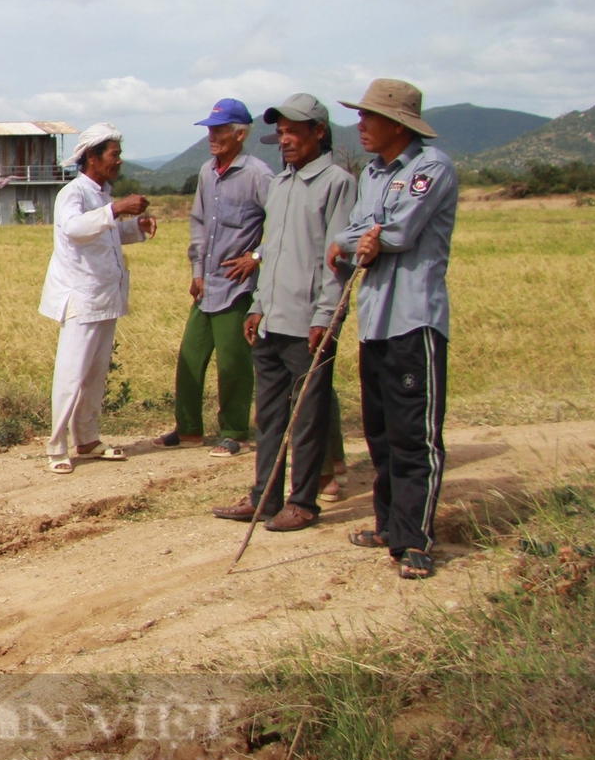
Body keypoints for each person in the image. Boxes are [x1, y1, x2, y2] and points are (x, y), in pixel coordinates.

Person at [326, 79, 457, 580]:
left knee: (414, 435)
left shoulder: (430, 169)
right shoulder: (374, 174)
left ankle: (414, 539)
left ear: (398, 125)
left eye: (369, 117)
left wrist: (369, 237)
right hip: (375, 319)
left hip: (413, 318)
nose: (360, 125)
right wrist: (364, 237)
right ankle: (387, 524)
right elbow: (352, 234)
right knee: (379, 433)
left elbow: (399, 233)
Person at [211, 95, 354, 532]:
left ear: (319, 132)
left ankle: (304, 502)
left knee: (308, 417)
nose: (285, 140)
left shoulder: (337, 183)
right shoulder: (281, 184)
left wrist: (325, 317)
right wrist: (256, 306)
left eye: (295, 131)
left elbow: (338, 259)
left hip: (308, 321)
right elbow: (269, 250)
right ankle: (264, 497)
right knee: (269, 415)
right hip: (271, 320)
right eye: (282, 132)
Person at [161, 98, 274, 458]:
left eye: (220, 130)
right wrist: (196, 272)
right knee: (190, 357)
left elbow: (285, 224)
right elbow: (198, 222)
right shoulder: (208, 172)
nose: (212, 136)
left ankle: (235, 431)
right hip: (207, 284)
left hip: (237, 287)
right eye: (210, 129)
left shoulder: (258, 174)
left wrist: (257, 257)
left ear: (240, 134)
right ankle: (189, 429)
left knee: (233, 363)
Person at [39, 124, 155, 473]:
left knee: (95, 373)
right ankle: (57, 445)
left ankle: (87, 437)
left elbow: (103, 236)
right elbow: (75, 229)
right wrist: (118, 209)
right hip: (82, 297)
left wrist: (135, 228)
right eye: (114, 155)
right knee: (72, 373)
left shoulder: (101, 194)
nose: (118, 162)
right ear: (92, 157)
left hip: (105, 296)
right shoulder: (72, 193)